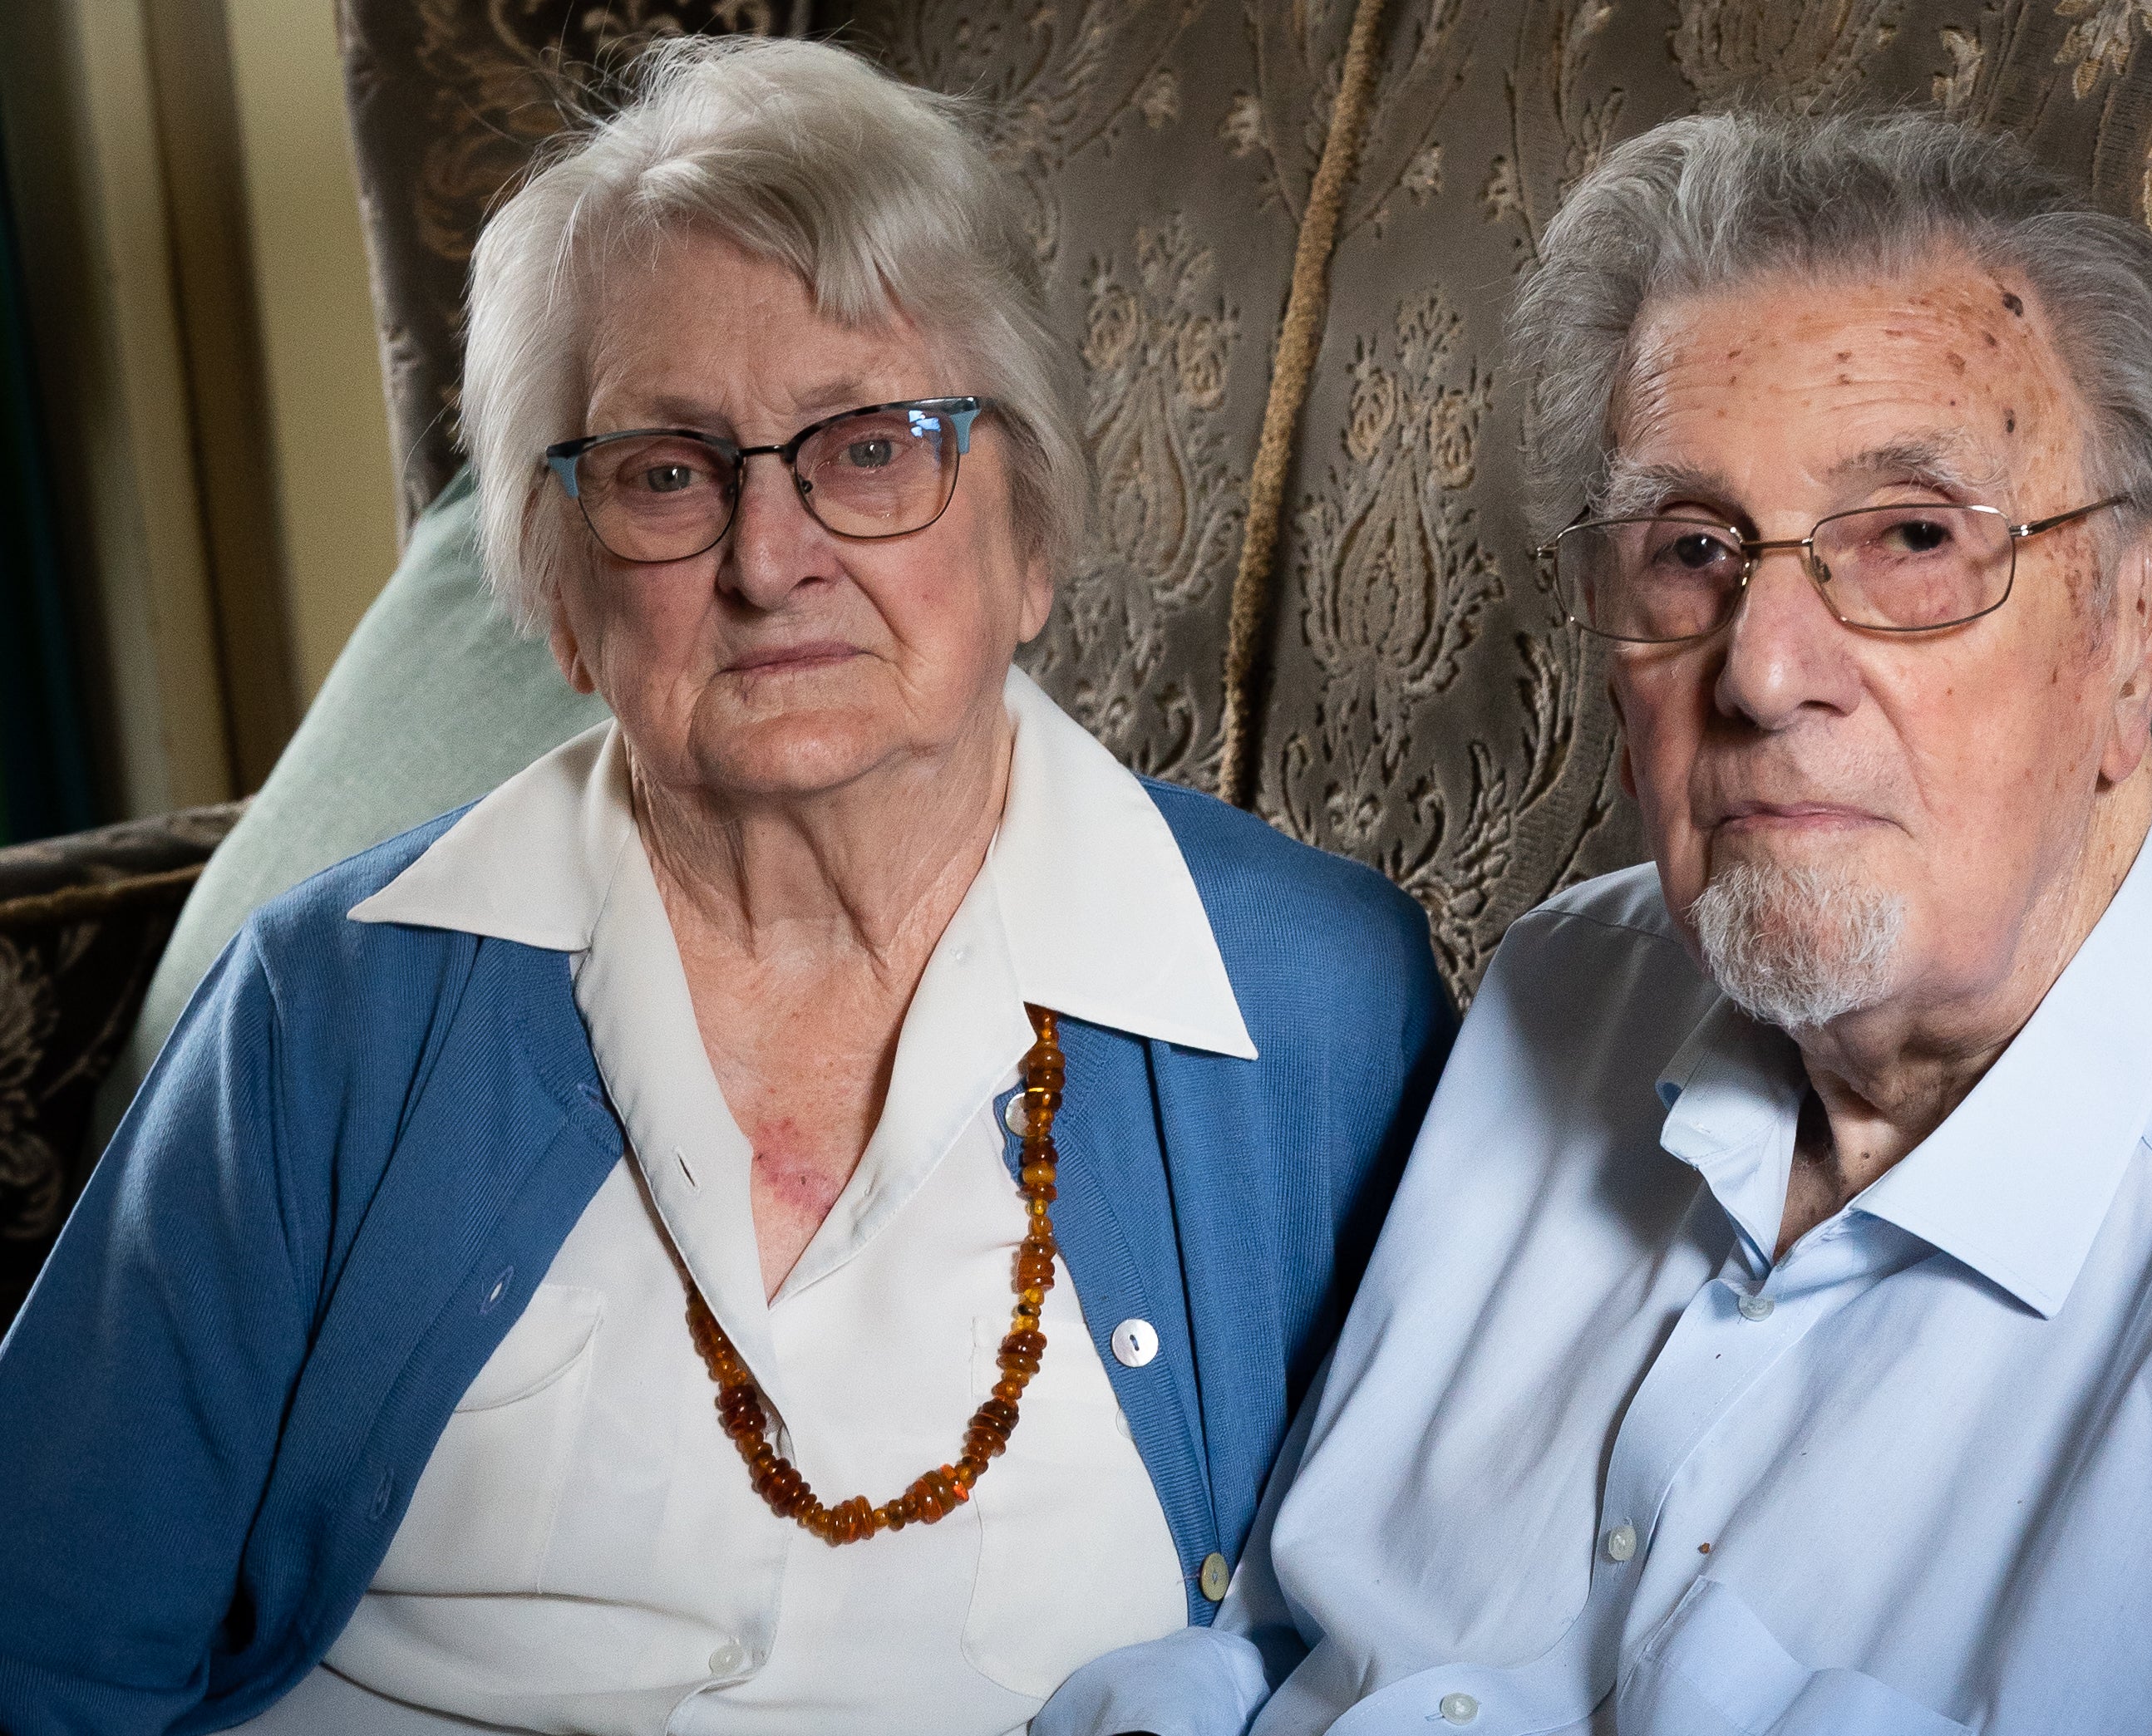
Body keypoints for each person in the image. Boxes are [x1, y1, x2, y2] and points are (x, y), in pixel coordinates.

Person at [1039, 109, 2152, 1736]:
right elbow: (1299, 1647)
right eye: (1692, 549)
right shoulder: (1570, 984)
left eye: (1914, 538)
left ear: (2140, 628)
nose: (1764, 666)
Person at [0, 37, 1452, 1736]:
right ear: (558, 593)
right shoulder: (328, 1010)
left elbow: (1431, 1623)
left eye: (871, 448)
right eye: (668, 474)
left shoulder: (1312, 1011)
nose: (773, 560)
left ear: (1032, 532)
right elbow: (44, 1642)